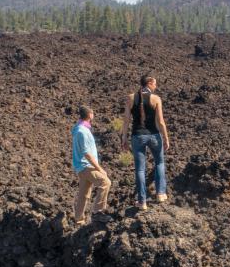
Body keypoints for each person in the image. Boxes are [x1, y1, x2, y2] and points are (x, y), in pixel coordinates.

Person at [120, 75, 170, 210]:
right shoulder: (156, 99)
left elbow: (126, 120)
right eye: (155, 84)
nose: (156, 86)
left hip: (137, 136)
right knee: (159, 162)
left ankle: (142, 202)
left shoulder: (131, 98)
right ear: (148, 83)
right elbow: (160, 121)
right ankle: (161, 193)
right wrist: (166, 138)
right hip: (154, 135)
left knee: (140, 169)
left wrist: (123, 138)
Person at [71, 105, 112, 224]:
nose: (93, 115)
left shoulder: (79, 128)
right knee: (105, 182)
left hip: (81, 166)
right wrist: (99, 168)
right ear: (89, 115)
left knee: (84, 193)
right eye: (92, 113)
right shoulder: (82, 131)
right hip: (86, 166)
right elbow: (86, 153)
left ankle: (79, 219)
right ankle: (97, 213)